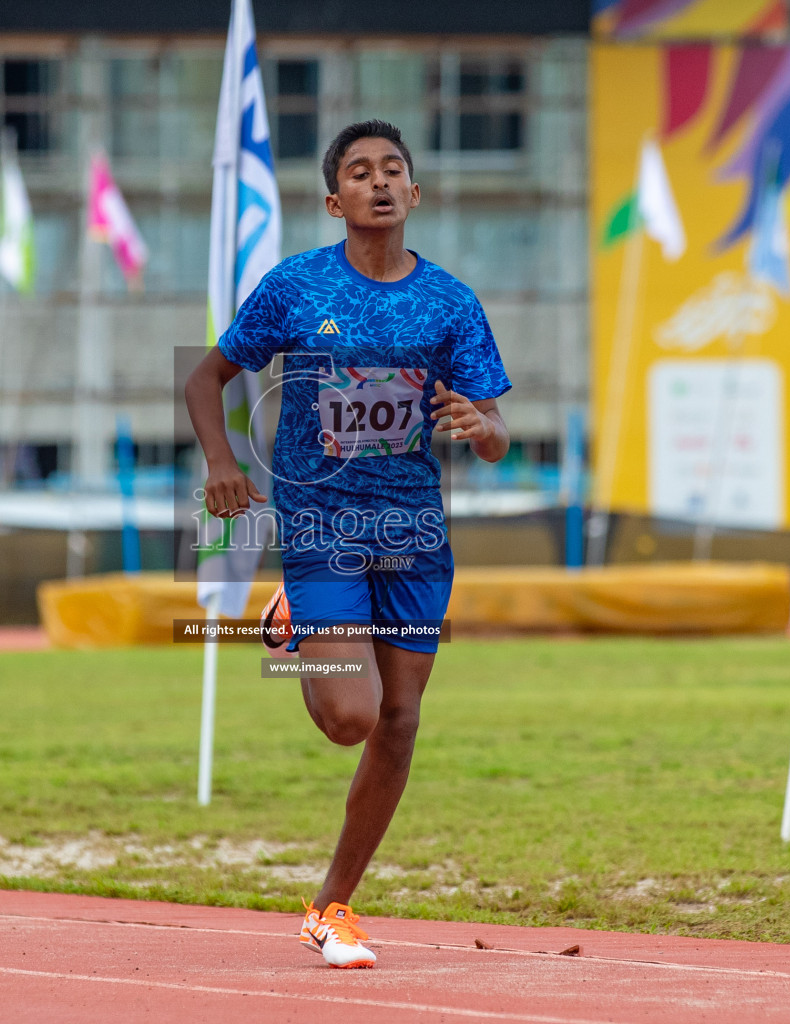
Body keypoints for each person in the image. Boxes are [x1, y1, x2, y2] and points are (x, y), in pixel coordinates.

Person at [185, 120, 511, 969]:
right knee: (349, 718)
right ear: (336, 201)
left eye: (392, 170)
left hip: (412, 531)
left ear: (414, 192)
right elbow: (205, 375)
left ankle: (332, 908)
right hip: (322, 523)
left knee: (399, 725)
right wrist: (221, 462)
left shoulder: (452, 302)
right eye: (359, 173)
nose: (378, 182)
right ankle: (293, 617)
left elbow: (496, 429)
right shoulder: (295, 287)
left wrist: (482, 425)